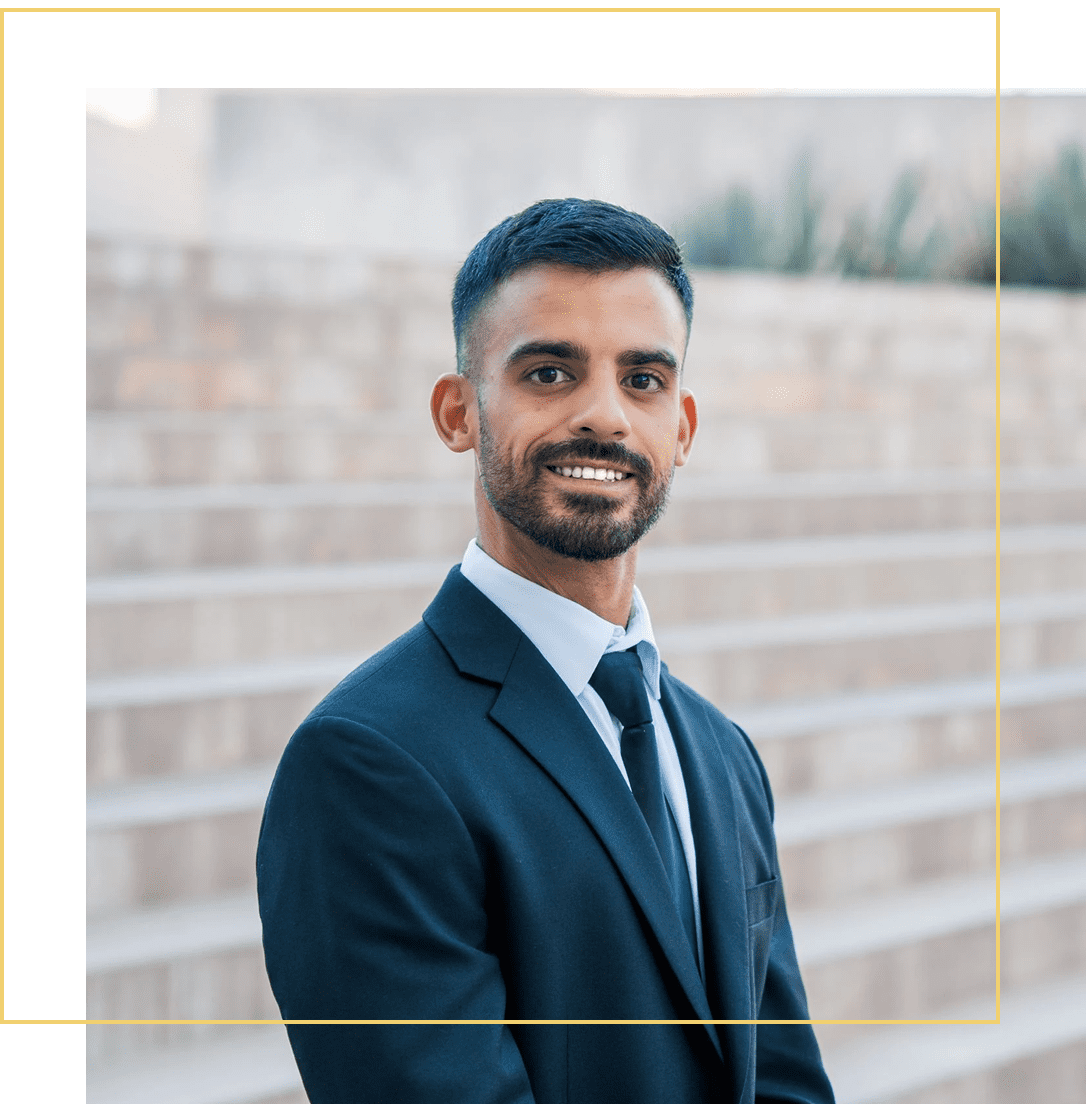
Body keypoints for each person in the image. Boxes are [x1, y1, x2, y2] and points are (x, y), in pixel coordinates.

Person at [257, 198, 834, 1104]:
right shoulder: (366, 762)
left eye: (642, 379)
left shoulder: (722, 753)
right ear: (460, 412)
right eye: (551, 373)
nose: (604, 416)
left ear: (682, 429)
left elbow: (789, 1081)